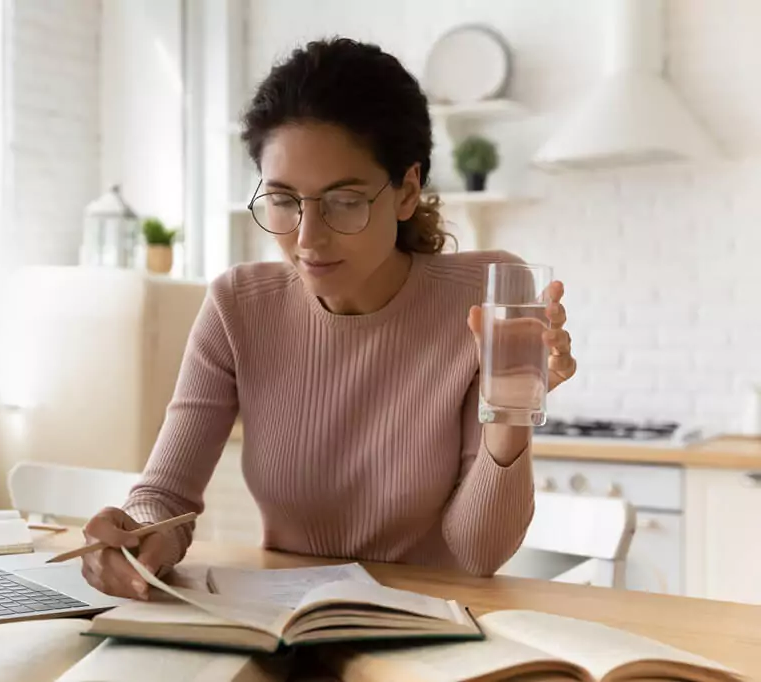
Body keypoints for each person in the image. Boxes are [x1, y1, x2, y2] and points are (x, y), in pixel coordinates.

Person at [80, 37, 576, 600]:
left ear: (407, 191)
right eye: (284, 200)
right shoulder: (238, 305)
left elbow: (479, 553)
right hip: (286, 626)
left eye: (344, 201)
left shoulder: (486, 299)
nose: (308, 239)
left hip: (433, 632)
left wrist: (507, 409)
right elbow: (165, 497)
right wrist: (136, 535)